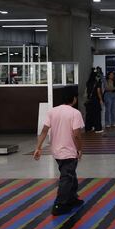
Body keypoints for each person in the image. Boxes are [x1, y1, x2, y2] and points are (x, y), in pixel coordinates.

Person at [34, 86, 85, 216]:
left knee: (70, 174)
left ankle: (72, 198)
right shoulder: (75, 113)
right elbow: (77, 135)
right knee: (66, 177)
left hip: (56, 151)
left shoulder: (52, 111)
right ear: (74, 99)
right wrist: (79, 149)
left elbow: (44, 131)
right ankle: (59, 205)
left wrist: (38, 147)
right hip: (69, 151)